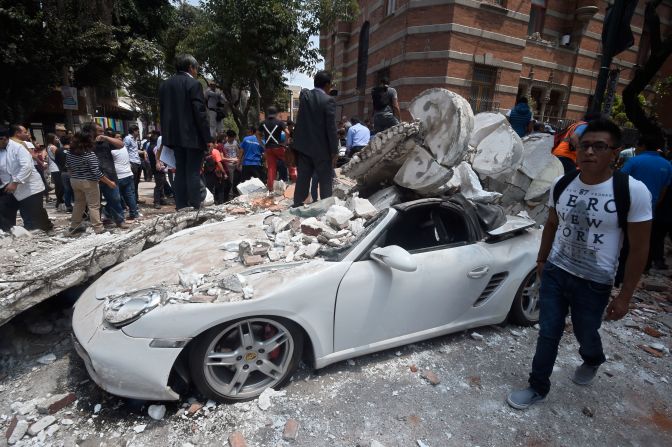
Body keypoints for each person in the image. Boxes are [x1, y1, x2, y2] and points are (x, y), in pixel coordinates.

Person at [507, 119, 653, 410]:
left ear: (616, 152)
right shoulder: (562, 183)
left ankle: (593, 357)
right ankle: (537, 386)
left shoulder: (632, 191)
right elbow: (551, 223)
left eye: (599, 146)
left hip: (594, 281)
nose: (589, 152)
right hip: (556, 273)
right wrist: (541, 259)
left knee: (587, 332)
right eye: (584, 145)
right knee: (548, 331)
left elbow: (639, 249)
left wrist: (625, 296)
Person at [159, 53, 211, 210]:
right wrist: (207, 137)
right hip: (193, 137)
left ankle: (181, 204)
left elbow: (163, 112)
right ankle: (196, 204)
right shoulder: (193, 84)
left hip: (174, 137)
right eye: (196, 69)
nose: (196, 72)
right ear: (191, 67)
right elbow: (200, 113)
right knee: (193, 171)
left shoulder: (165, 85)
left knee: (180, 170)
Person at [621, 135, 672, 270]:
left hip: (628, 206)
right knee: (645, 239)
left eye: (638, 145)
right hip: (651, 208)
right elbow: (664, 189)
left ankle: (623, 265)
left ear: (642, 146)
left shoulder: (635, 161)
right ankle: (644, 266)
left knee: (626, 238)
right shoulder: (667, 164)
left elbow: (620, 181)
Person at [292, 70, 339, 206]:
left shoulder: (305, 97)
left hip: (304, 148)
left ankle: (297, 206)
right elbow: (331, 129)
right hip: (322, 150)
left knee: (303, 180)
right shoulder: (328, 100)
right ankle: (325, 209)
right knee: (325, 181)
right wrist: (334, 151)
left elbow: (300, 122)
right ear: (327, 84)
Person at [0, 126, 52, 232]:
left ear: (4, 138)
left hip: (29, 188)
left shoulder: (18, 148)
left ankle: (44, 230)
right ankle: (9, 233)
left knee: (33, 218)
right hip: (8, 187)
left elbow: (26, 166)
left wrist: (15, 182)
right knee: (4, 212)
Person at [67, 130, 117, 234]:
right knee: (94, 205)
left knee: (78, 203)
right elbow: (96, 172)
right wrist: (109, 182)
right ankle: (98, 228)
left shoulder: (69, 152)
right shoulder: (89, 154)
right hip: (88, 182)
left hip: (74, 180)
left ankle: (74, 226)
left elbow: (69, 168)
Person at [87, 122, 126, 227]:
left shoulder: (106, 141)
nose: (102, 133)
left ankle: (120, 220)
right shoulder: (86, 143)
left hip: (110, 175)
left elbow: (121, 145)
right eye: (100, 131)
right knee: (95, 203)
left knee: (115, 199)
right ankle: (97, 223)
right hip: (93, 177)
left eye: (103, 131)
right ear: (92, 132)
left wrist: (106, 138)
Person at [260, 106, 287, 191]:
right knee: (288, 161)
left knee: (271, 168)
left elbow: (257, 133)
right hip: (278, 147)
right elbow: (288, 132)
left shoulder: (263, 123)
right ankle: (294, 180)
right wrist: (285, 143)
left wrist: (262, 144)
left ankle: (270, 187)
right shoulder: (279, 122)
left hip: (268, 148)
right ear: (276, 113)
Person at [111, 142, 137, 224]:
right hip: (128, 173)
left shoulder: (112, 151)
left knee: (116, 197)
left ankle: (113, 215)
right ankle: (134, 213)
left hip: (119, 176)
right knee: (129, 195)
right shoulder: (124, 148)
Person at [123, 125, 144, 202]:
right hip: (132, 163)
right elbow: (125, 151)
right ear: (134, 131)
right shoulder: (128, 139)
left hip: (137, 162)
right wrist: (128, 163)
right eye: (137, 131)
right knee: (132, 183)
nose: (138, 132)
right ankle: (132, 200)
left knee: (136, 182)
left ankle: (135, 199)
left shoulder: (135, 139)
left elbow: (134, 151)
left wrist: (142, 152)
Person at [54, 135, 73, 212]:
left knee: (67, 190)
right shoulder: (73, 150)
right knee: (76, 190)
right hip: (74, 172)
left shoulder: (58, 150)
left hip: (63, 172)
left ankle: (68, 205)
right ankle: (78, 205)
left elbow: (57, 161)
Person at [45, 133, 64, 209]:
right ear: (51, 139)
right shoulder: (53, 147)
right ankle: (59, 201)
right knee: (60, 185)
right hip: (57, 168)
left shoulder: (48, 147)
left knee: (58, 185)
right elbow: (59, 157)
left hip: (53, 168)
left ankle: (59, 201)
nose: (58, 140)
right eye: (56, 138)